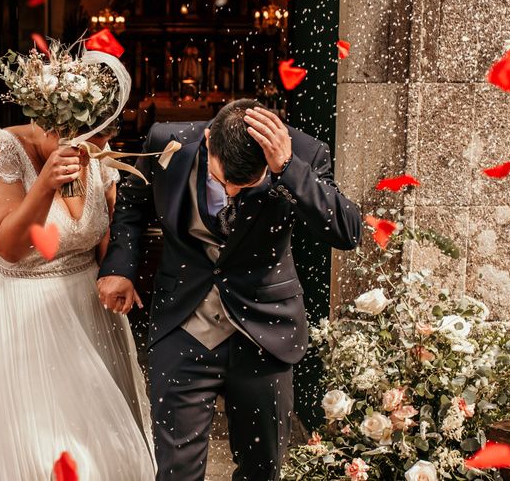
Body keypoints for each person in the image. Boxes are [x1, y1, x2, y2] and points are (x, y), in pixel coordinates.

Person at [98, 98, 362, 481]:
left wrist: (288, 169)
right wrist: (120, 266)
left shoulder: (303, 152)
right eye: (224, 182)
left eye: (247, 184)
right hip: (184, 326)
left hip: (266, 333)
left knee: (262, 468)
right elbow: (132, 205)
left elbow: (347, 232)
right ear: (208, 141)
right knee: (176, 471)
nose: (233, 194)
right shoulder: (166, 142)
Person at [0, 118, 155, 480]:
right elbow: (10, 248)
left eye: (103, 140)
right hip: (19, 311)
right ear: (55, 123)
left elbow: (107, 226)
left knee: (107, 445)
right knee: (43, 450)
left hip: (88, 312)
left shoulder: (95, 153)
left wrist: (120, 270)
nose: (91, 152)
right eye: (89, 139)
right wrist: (46, 184)